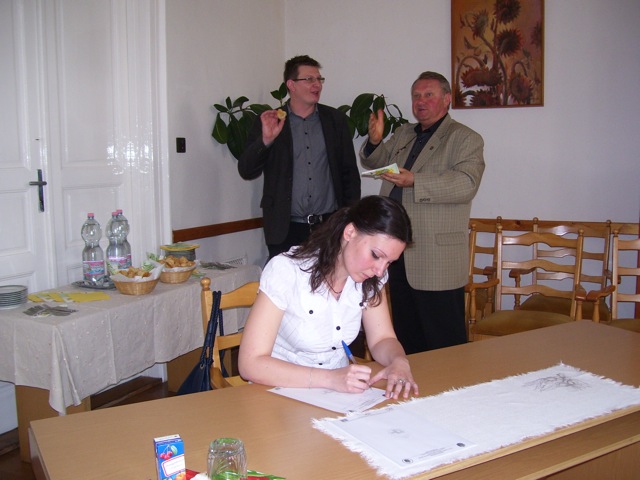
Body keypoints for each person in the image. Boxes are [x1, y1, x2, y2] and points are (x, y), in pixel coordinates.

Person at [238, 195, 419, 400]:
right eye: (376, 255)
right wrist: (330, 379)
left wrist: (399, 361)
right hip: (277, 391)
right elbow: (250, 363)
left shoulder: (370, 278)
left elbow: (382, 339)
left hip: (336, 395)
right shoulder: (287, 271)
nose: (380, 270)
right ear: (350, 232)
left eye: (389, 262)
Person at [360, 71, 485, 353]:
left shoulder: (465, 138)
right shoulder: (404, 133)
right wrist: (376, 142)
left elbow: (467, 183)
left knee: (445, 341)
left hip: (436, 256)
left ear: (447, 99)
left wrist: (416, 180)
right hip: (398, 250)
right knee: (407, 335)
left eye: (429, 95)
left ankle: (452, 382)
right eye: (416, 95)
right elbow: (377, 161)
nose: (420, 101)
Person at [238, 55, 361, 260]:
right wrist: (266, 140)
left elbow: (349, 174)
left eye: (319, 79)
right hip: (285, 229)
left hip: (328, 227)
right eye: (309, 79)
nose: (317, 85)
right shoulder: (271, 120)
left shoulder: (335, 120)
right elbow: (246, 170)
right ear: (291, 85)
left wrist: (349, 219)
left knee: (329, 280)